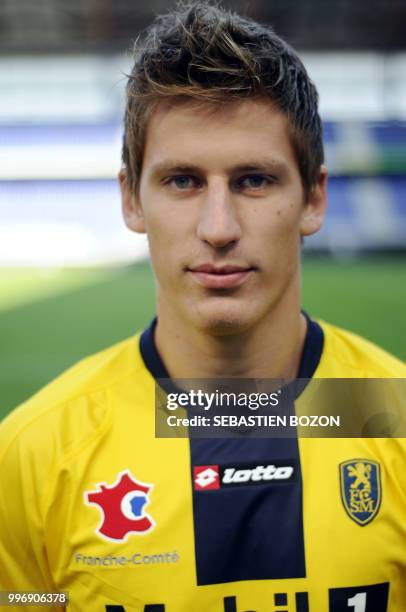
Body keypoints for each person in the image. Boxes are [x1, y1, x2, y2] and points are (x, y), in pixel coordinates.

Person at [0, 2, 405, 610]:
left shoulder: (392, 414)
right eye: (183, 181)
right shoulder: (33, 453)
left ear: (313, 199)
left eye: (253, 180)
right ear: (131, 200)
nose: (219, 228)